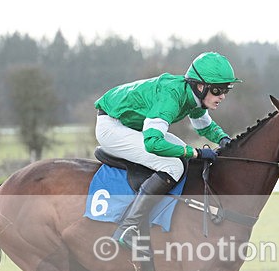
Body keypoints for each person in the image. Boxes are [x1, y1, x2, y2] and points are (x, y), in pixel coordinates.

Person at [94, 52, 239, 252]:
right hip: (112, 126)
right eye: (217, 90)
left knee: (180, 157)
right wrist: (195, 152)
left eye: (226, 90)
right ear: (200, 86)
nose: (222, 96)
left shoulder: (193, 97)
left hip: (131, 125)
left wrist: (225, 140)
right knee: (172, 164)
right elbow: (153, 143)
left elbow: (205, 127)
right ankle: (128, 228)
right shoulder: (171, 97)